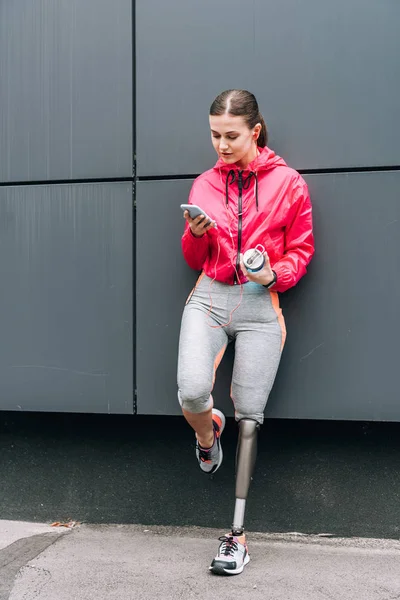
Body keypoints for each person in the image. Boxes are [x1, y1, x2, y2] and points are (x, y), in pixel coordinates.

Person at [177, 89, 314, 575]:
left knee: (250, 418)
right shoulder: (203, 185)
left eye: (231, 135)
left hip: (260, 304)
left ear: (255, 131)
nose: (221, 145)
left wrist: (273, 275)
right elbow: (193, 258)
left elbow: (301, 249)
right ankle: (207, 436)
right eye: (214, 135)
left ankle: (236, 536)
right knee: (193, 391)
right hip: (210, 296)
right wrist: (195, 236)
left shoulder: (289, 183)